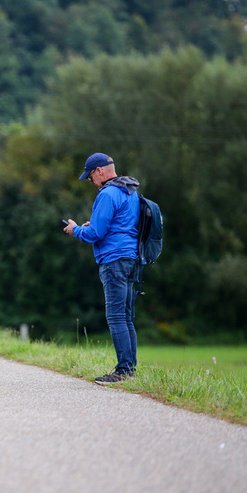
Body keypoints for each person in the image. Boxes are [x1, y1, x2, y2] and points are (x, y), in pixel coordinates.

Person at [63, 153, 141, 385]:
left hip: (113, 260)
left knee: (116, 316)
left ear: (99, 171)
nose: (90, 182)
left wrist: (75, 229)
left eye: (90, 177)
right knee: (126, 316)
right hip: (131, 259)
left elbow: (96, 234)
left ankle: (124, 371)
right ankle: (130, 369)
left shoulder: (107, 194)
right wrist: (93, 224)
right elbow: (119, 225)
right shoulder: (131, 191)